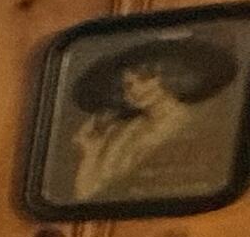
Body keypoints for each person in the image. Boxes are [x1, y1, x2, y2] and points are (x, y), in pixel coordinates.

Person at [63, 33, 242, 203]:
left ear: (170, 76)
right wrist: (91, 152)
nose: (135, 90)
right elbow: (86, 196)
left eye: (144, 79)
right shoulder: (120, 132)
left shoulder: (198, 126)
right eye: (127, 85)